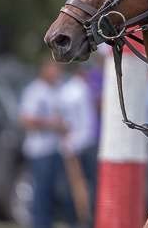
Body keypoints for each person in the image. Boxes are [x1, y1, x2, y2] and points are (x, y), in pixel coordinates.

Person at [19, 59, 67, 228]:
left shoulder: (58, 89)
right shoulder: (34, 91)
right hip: (39, 151)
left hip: (56, 149)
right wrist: (51, 124)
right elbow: (26, 120)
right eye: (54, 69)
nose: (57, 73)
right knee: (41, 193)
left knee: (52, 193)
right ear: (45, 70)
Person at [58, 65, 98, 227]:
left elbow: (62, 119)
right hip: (82, 142)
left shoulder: (66, 90)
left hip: (72, 142)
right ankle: (82, 219)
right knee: (82, 185)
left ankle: (76, 219)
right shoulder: (80, 89)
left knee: (76, 185)